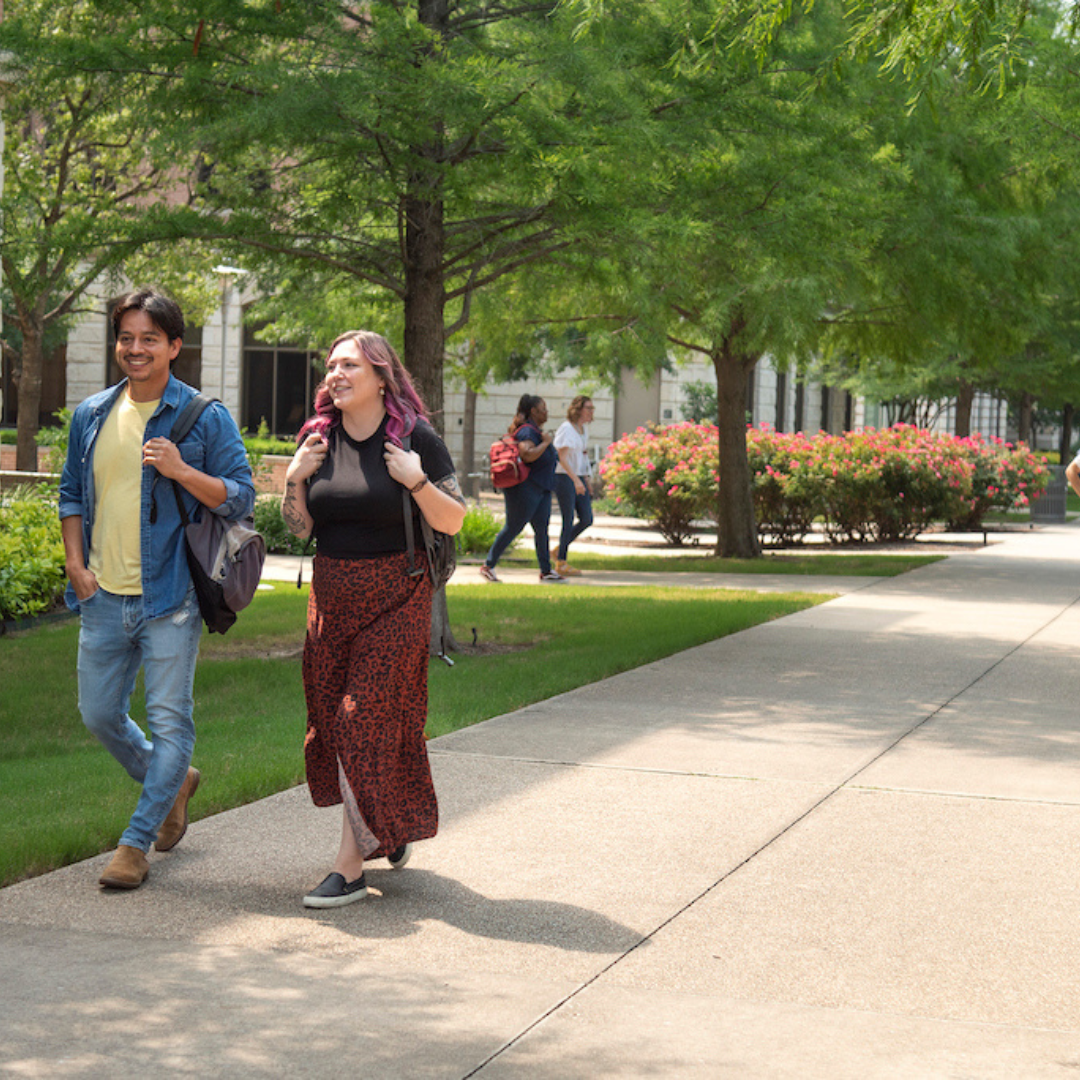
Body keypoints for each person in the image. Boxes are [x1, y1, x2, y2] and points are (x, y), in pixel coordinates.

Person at [59, 287, 255, 891]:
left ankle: (135, 843)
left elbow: (243, 495)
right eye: (126, 337)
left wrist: (181, 469)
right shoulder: (91, 414)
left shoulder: (203, 416)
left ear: (174, 346)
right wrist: (75, 565)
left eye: (149, 339)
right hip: (102, 596)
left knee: (170, 722)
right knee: (98, 714)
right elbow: (70, 494)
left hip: (170, 598)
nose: (135, 349)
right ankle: (176, 782)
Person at [281, 330, 465, 909]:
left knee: (361, 721)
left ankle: (349, 868)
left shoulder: (414, 440)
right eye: (331, 365)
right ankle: (388, 824)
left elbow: (455, 520)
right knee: (334, 725)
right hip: (332, 598)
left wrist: (415, 479)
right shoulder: (316, 439)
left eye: (350, 365)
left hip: (398, 596)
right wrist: (294, 478)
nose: (335, 374)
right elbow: (299, 529)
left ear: (382, 377)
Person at [480, 394, 565, 583]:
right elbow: (527, 454)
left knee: (542, 529)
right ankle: (488, 565)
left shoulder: (536, 430)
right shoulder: (528, 432)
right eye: (543, 408)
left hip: (540, 488)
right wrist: (545, 443)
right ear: (534, 411)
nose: (546, 412)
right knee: (514, 526)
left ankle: (546, 570)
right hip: (525, 488)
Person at [551, 395, 596, 576]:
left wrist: (586, 480)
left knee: (587, 518)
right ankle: (561, 562)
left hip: (577, 477)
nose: (592, 412)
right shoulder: (567, 429)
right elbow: (561, 457)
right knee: (568, 519)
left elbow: (582, 457)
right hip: (563, 477)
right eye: (589, 408)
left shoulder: (582, 430)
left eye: (592, 408)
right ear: (578, 410)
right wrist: (575, 480)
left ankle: (558, 550)